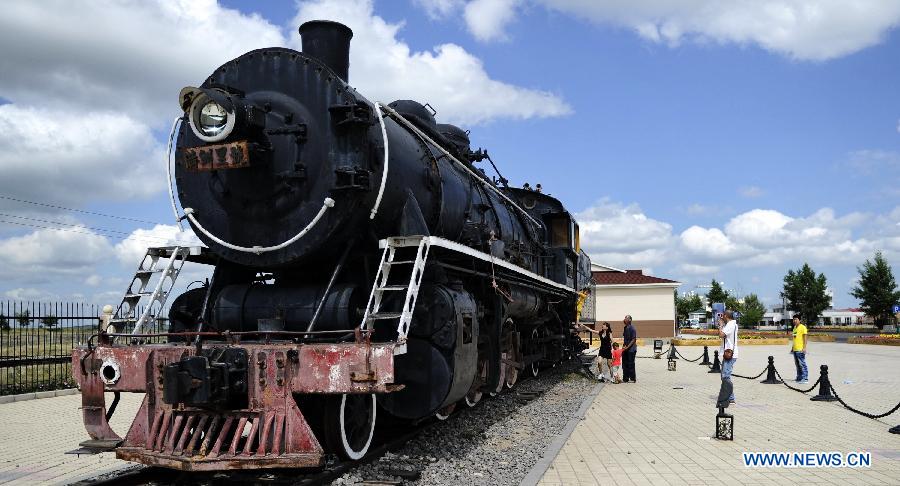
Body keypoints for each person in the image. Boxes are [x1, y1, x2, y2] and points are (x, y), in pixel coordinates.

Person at [718, 310, 739, 404]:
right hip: (729, 353)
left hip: (730, 354)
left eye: (723, 316)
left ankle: (730, 398)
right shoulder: (731, 324)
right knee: (725, 375)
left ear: (726, 316)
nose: (722, 317)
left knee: (726, 376)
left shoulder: (730, 324)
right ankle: (728, 396)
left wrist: (720, 325)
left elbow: (721, 335)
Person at [790, 314, 809, 383]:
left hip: (800, 349)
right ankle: (799, 377)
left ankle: (805, 378)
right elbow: (795, 338)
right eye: (793, 319)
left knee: (802, 364)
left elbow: (805, 338)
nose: (794, 321)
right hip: (795, 349)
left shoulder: (803, 327)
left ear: (799, 320)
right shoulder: (795, 328)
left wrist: (804, 347)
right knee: (797, 364)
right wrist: (792, 347)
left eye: (796, 319)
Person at [621, 315, 637, 383]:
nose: (624, 319)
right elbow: (625, 339)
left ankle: (633, 378)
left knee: (631, 364)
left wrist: (627, 347)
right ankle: (625, 378)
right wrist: (624, 347)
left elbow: (633, 340)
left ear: (630, 320)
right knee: (624, 364)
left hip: (631, 349)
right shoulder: (625, 328)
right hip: (625, 349)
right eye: (624, 318)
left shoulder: (632, 328)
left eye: (626, 318)